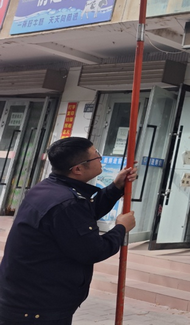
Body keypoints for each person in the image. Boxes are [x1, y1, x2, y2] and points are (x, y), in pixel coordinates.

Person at [0, 137, 137, 324]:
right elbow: (93, 250)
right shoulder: (66, 203)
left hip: (26, 297)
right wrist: (121, 228)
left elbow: (81, 218)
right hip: (37, 308)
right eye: (96, 155)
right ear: (78, 169)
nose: (100, 158)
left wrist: (115, 187)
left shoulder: (50, 189)